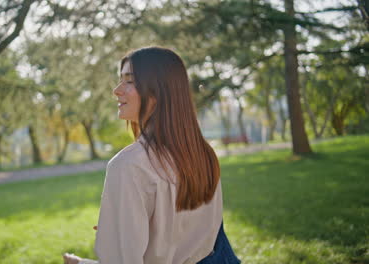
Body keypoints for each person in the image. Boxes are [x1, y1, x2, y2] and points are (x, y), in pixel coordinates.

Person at [63, 47, 240, 264]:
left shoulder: (129, 166)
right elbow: (190, 235)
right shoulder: (203, 153)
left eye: (129, 81)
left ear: (157, 91)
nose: (117, 90)